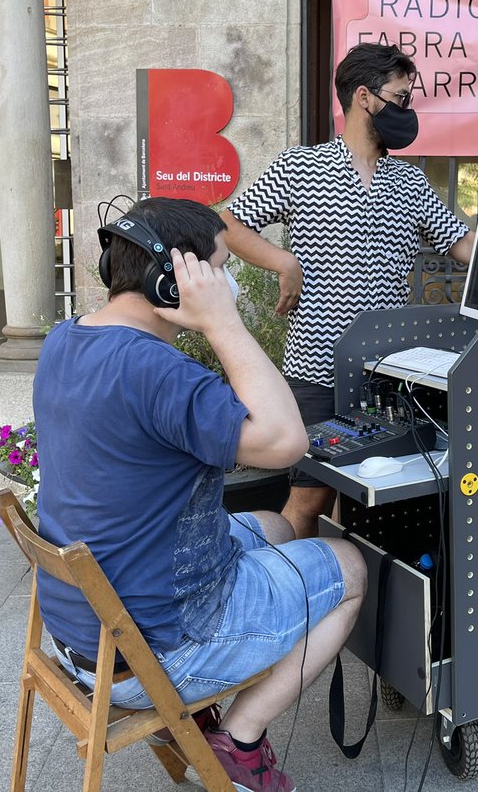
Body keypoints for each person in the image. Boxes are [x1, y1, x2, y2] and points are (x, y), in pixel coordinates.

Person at [32, 197, 366, 792]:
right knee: (349, 567)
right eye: (219, 268)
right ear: (174, 281)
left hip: (80, 635)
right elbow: (286, 441)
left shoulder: (66, 339)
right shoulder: (159, 372)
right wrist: (223, 323)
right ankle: (240, 740)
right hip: (156, 649)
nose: (228, 283)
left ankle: (213, 698)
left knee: (278, 525)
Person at [223, 42, 478, 538]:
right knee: (308, 498)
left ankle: (355, 593)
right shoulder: (299, 167)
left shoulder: (411, 183)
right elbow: (228, 225)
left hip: (382, 373)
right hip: (316, 368)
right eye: (400, 97)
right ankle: (289, 596)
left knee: (370, 503)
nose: (407, 109)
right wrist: (281, 260)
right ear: (363, 98)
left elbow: (462, 243)